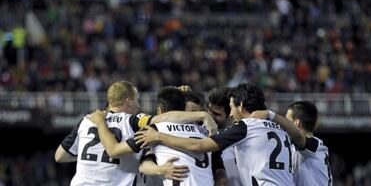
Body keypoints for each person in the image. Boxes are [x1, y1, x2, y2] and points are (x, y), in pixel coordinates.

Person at [136, 83, 304, 186]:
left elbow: (199, 145)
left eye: (232, 107)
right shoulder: (279, 128)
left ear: (241, 105)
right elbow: (300, 137)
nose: (231, 113)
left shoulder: (244, 128)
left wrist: (159, 136)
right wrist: (272, 114)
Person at [55, 80, 217, 186]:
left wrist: (91, 154)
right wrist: (201, 114)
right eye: (137, 100)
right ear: (128, 101)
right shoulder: (132, 121)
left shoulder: (86, 120)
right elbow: (165, 118)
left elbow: (60, 156)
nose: (139, 106)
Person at [285, 101, 333, 186]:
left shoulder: (315, 145)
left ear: (296, 123)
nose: (284, 124)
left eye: (287, 121)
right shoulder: (295, 148)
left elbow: (299, 137)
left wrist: (271, 116)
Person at [207, 87, 243, 186]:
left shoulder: (244, 135)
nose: (210, 117)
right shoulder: (202, 132)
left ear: (230, 114)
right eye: (209, 112)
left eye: (216, 114)